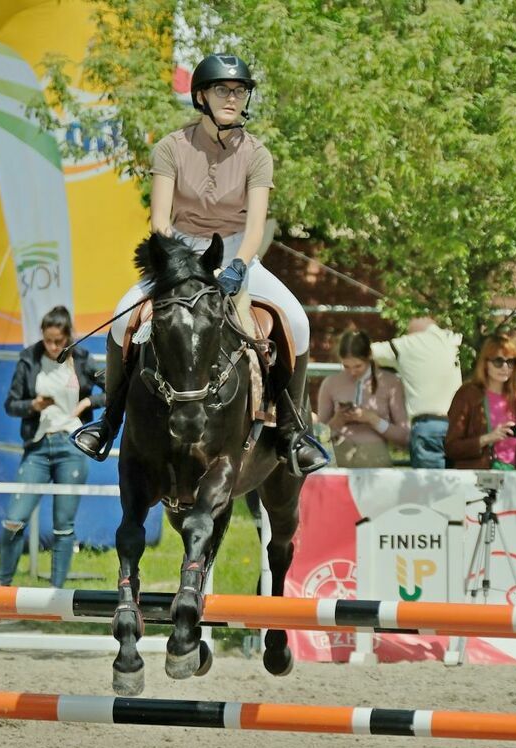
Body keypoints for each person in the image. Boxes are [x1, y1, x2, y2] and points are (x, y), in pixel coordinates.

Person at [72, 53, 326, 475]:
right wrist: (179, 267)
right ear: (201, 96)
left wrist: (239, 266)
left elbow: (256, 224)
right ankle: (110, 421)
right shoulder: (171, 147)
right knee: (122, 318)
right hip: (180, 255)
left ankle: (291, 431)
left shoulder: (258, 154)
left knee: (297, 322)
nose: (233, 97)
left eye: (239, 90)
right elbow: (159, 220)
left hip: (236, 255)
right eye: (223, 89)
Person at [0, 307, 104, 587]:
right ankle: (1, 586)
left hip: (71, 445)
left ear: (68, 336)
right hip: (38, 446)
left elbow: (115, 387)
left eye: (58, 341)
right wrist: (32, 405)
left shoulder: (82, 359)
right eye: (48, 340)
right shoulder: (29, 359)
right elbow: (10, 404)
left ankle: (56, 594)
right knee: (14, 519)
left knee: (63, 526)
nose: (53, 346)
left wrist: (87, 403)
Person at [370, 317, 463, 469]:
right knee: (456, 486)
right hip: (458, 426)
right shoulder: (454, 340)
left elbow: (365, 351)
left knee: (428, 487)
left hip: (427, 425)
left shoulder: (407, 344)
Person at [316, 330, 409, 468]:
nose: (352, 372)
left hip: (375, 460)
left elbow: (404, 436)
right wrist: (338, 420)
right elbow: (319, 434)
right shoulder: (331, 383)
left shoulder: (390, 382)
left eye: (358, 366)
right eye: (346, 366)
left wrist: (372, 419)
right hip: (340, 458)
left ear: (369, 357)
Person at [444, 333, 516, 470]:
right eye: (498, 361)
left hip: (513, 478)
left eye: (510, 362)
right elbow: (451, 447)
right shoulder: (468, 395)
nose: (505, 367)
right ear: (485, 364)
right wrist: (488, 438)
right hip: (478, 477)